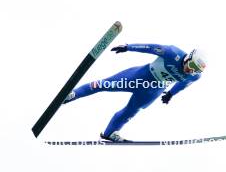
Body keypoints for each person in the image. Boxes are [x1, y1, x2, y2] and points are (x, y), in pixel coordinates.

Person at [63, 44, 206, 142]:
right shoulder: (172, 52)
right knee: (103, 85)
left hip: (153, 89)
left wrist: (171, 94)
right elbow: (150, 47)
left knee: (131, 111)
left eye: (195, 70)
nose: (191, 70)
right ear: (188, 57)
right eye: (191, 65)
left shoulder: (194, 76)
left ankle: (110, 133)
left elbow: (183, 84)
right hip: (141, 76)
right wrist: (128, 47)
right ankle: (71, 94)